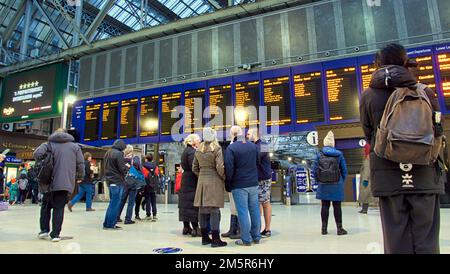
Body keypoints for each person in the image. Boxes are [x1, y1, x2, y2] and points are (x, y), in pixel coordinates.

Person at [360, 43, 444, 254]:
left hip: (389, 179)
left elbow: (369, 133)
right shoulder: (426, 92)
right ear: (406, 62)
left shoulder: (368, 95)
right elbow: (437, 130)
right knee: (427, 242)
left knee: (396, 241)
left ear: (378, 64)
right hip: (424, 173)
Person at [33, 128, 85, 242]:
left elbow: (36, 154)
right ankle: (55, 234)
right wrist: (80, 176)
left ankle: (44, 230)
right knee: (59, 208)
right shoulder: (75, 147)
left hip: (47, 182)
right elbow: (81, 164)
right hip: (65, 182)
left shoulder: (48, 144)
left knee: (45, 207)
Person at [225, 126, 261, 246]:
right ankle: (256, 236)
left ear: (233, 135)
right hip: (253, 183)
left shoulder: (231, 148)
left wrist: (229, 183)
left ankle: (246, 239)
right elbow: (258, 162)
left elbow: (229, 168)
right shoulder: (253, 146)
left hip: (239, 184)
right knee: (255, 210)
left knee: (242, 211)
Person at [193, 128, 227, 247]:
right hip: (214, 181)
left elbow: (194, 168)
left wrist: (201, 176)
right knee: (214, 211)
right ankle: (216, 240)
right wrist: (223, 177)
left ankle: (205, 238)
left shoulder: (198, 150)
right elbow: (220, 166)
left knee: (202, 210)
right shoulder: (216, 149)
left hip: (202, 182)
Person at [314, 131, 348, 236]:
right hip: (336, 183)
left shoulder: (319, 155)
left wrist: (318, 180)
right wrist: (342, 180)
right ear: (333, 144)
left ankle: (324, 229)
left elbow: (314, 170)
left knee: (325, 205)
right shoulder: (339, 154)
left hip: (323, 184)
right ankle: (339, 229)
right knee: (337, 206)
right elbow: (344, 170)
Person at [247, 128, 273, 238]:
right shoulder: (254, 145)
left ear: (254, 134)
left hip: (264, 178)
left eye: (248, 134)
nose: (246, 136)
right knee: (256, 203)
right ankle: (257, 227)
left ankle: (267, 229)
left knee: (265, 202)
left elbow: (256, 158)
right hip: (256, 178)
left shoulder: (263, 145)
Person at [179, 133, 201, 237]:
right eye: (198, 140)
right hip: (192, 180)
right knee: (192, 204)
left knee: (185, 204)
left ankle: (186, 227)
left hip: (185, 180)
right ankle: (195, 228)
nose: (199, 142)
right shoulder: (192, 152)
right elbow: (194, 167)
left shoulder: (185, 151)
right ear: (193, 141)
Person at [103, 139, 127, 230]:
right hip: (117, 181)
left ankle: (107, 223)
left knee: (112, 203)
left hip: (109, 181)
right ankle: (111, 224)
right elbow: (122, 168)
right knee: (115, 204)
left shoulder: (107, 153)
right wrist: (126, 169)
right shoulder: (119, 154)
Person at [117, 146, 142, 225]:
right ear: (132, 150)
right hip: (133, 182)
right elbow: (140, 169)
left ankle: (117, 217)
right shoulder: (135, 158)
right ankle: (128, 219)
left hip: (125, 181)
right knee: (131, 202)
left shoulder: (122, 158)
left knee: (122, 200)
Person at [140, 154, 159, 221]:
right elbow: (157, 176)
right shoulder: (156, 166)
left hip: (147, 186)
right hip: (154, 186)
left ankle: (148, 215)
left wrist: (141, 188)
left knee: (148, 200)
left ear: (146, 159)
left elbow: (143, 177)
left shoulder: (144, 167)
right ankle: (155, 215)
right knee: (154, 201)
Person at [358, 144, 375, 214]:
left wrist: (365, 180)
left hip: (366, 181)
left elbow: (367, 170)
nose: (363, 150)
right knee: (366, 195)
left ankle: (364, 209)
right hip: (369, 180)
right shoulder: (370, 158)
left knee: (365, 195)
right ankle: (364, 209)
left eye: (364, 149)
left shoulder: (367, 159)